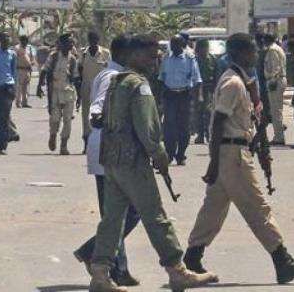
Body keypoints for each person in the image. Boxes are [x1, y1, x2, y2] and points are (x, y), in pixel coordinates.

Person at [183, 33, 294, 285]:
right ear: (239, 53)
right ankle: (283, 261)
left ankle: (192, 257)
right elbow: (219, 121)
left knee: (213, 208)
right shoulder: (233, 83)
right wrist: (214, 161)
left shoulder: (242, 81)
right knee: (258, 207)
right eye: (252, 51)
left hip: (232, 151)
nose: (255, 55)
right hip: (232, 154)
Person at [87, 35, 217, 292]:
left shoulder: (116, 81)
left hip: (112, 160)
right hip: (133, 162)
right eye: (151, 57)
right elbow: (148, 130)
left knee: (112, 220)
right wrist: (160, 157)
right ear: (135, 55)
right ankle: (177, 271)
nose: (154, 63)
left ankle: (100, 273)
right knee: (155, 216)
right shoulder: (138, 85)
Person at [73, 35, 140, 288]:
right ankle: (98, 254)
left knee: (119, 213)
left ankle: (116, 267)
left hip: (110, 151)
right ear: (126, 54)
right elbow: (98, 105)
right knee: (126, 211)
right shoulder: (112, 76)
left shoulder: (116, 74)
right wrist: (97, 116)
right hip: (108, 151)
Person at [159, 35, 201, 165]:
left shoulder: (190, 59)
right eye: (172, 44)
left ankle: (181, 154)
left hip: (184, 95)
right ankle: (169, 153)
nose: (173, 47)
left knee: (184, 127)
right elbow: (161, 78)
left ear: (182, 45)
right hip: (170, 95)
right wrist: (161, 98)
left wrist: (197, 98)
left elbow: (197, 80)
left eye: (176, 44)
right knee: (169, 126)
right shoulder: (166, 58)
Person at [39, 33, 79, 155]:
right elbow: (44, 70)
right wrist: (39, 86)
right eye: (68, 42)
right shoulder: (54, 56)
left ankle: (64, 145)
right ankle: (53, 135)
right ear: (61, 44)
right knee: (55, 118)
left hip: (68, 92)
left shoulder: (73, 59)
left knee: (68, 120)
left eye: (72, 42)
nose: (71, 44)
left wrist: (79, 96)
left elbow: (76, 78)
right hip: (55, 91)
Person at [79, 32, 112, 153]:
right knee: (85, 117)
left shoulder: (105, 53)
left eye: (95, 39)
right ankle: (86, 144)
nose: (93, 41)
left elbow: (110, 70)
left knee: (101, 116)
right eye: (91, 39)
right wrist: (78, 93)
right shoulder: (83, 53)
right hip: (86, 90)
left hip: (101, 91)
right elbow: (79, 71)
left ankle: (101, 145)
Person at [262, 34, 287, 145]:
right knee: (276, 109)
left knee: (276, 110)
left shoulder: (272, 50)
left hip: (276, 81)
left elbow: (276, 67)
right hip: (278, 80)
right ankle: (279, 133)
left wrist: (273, 80)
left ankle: (279, 137)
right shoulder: (277, 48)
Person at [193, 40, 219, 145]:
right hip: (197, 88)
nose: (204, 50)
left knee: (209, 112)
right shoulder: (194, 60)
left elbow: (217, 75)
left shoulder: (213, 59)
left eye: (206, 47)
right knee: (198, 112)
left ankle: (209, 134)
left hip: (209, 88)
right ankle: (200, 135)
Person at [14, 35, 37, 108]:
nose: (25, 42)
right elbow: (14, 59)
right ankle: (18, 102)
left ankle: (25, 102)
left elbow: (32, 57)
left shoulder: (29, 48)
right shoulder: (17, 48)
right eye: (24, 41)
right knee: (19, 87)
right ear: (21, 41)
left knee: (26, 87)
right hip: (20, 69)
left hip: (27, 69)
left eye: (26, 41)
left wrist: (32, 62)